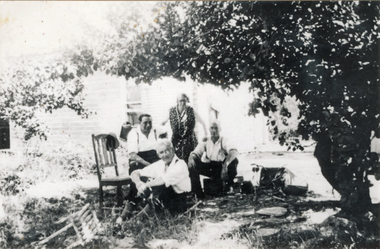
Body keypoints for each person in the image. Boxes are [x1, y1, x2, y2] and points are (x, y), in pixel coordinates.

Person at [121, 139, 191, 220]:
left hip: (177, 201)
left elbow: (163, 180)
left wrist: (145, 186)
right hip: (162, 198)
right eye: (161, 152)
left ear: (172, 150)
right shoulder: (161, 164)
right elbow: (136, 172)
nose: (164, 155)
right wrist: (138, 183)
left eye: (167, 151)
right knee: (138, 181)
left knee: (160, 186)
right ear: (158, 154)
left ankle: (136, 220)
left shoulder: (180, 164)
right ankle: (123, 217)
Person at [188, 120, 239, 199]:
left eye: (216, 128)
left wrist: (225, 165)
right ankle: (198, 193)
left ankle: (228, 185)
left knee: (234, 161)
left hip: (223, 167)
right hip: (212, 167)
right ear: (209, 129)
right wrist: (191, 159)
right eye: (212, 128)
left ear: (220, 129)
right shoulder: (206, 141)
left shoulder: (224, 140)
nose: (214, 131)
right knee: (193, 164)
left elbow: (234, 151)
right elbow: (195, 153)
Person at [162, 93, 207, 163]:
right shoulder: (171, 111)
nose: (182, 103)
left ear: (187, 101)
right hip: (176, 141)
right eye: (181, 101)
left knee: (191, 160)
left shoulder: (191, 110)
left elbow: (203, 122)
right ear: (177, 101)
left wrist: (205, 134)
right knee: (176, 161)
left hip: (190, 141)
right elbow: (162, 123)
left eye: (184, 101)